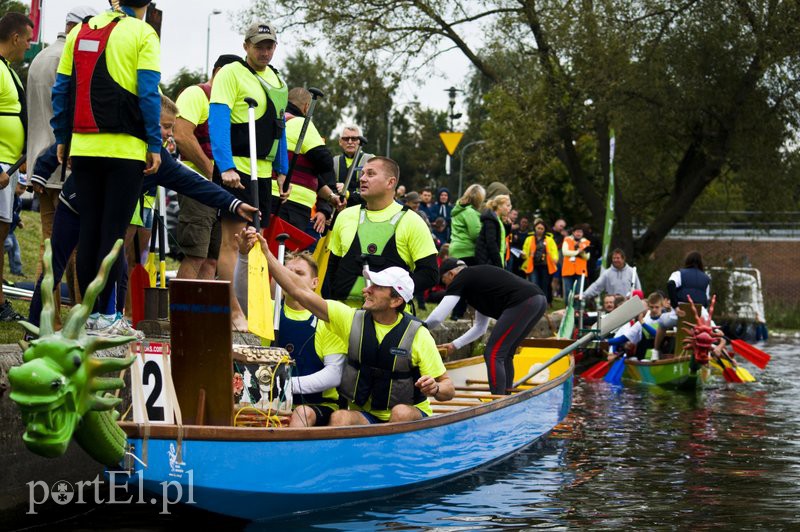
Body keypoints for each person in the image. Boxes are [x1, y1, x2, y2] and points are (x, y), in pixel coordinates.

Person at [27, 95, 257, 332]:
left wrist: (233, 204)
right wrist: (41, 171)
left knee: (116, 263)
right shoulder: (116, 134)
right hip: (74, 207)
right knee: (55, 264)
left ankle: (107, 319)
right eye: (166, 126)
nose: (170, 133)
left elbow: (195, 184)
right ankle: (34, 325)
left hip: (110, 218)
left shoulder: (160, 160)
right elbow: (70, 139)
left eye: (172, 127)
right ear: (147, 120)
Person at [251, 229, 455, 425]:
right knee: (340, 418)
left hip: (408, 414)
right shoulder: (350, 319)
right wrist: (267, 254)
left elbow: (448, 389)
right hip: (366, 415)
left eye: (377, 287)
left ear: (395, 301)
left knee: (399, 412)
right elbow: (299, 291)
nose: (367, 289)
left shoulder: (418, 335)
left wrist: (435, 388)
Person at [51, 0, 161, 315]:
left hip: (84, 147)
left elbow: (62, 89)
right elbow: (149, 93)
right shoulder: (143, 33)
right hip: (126, 152)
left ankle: (83, 313)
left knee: (88, 230)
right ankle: (104, 314)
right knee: (112, 234)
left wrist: (63, 137)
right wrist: (153, 143)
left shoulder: (82, 29)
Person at [208, 21, 288, 330]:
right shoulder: (231, 73)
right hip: (237, 169)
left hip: (264, 172)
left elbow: (279, 127)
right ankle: (231, 310)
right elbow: (218, 119)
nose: (265, 51)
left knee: (255, 241)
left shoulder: (276, 79)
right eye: (259, 46)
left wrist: (282, 170)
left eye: (270, 46)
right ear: (246, 46)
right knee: (234, 240)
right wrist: (225, 165)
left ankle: (250, 305)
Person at [27, 6, 97, 319]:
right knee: (72, 246)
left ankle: (49, 317)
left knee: (50, 244)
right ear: (77, 26)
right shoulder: (67, 57)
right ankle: (75, 318)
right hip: (61, 159)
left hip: (39, 161)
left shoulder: (41, 56)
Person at [326, 156, 438, 308]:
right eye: (363, 174)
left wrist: (393, 294)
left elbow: (430, 274)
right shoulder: (345, 215)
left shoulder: (412, 221)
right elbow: (332, 266)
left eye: (370, 174)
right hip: (344, 313)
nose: (363, 179)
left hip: (389, 317)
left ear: (390, 182)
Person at [426, 259, 547, 395]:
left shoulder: (463, 277)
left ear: (451, 274)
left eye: (443, 282)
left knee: (493, 353)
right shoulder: (477, 283)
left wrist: (421, 327)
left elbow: (438, 317)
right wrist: (455, 345)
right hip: (538, 300)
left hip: (525, 301)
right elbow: (480, 327)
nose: (446, 286)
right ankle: (506, 397)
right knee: (505, 353)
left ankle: (498, 400)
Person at [173, 53, 240, 281]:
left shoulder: (228, 103)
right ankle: (181, 315)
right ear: (219, 72)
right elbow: (181, 135)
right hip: (197, 185)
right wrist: (211, 173)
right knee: (195, 255)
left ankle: (201, 314)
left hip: (219, 190)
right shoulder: (196, 94)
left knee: (213, 259)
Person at [0, 12, 32, 321]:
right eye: (27, 41)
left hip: (8, 167)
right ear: (15, 38)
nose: (28, 47)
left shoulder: (8, 69)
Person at [273, 87, 338, 233]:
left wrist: (330, 197)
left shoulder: (274, 120)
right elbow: (326, 163)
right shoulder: (301, 124)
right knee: (286, 254)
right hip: (292, 203)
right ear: (307, 107)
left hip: (267, 196)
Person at [333, 125, 373, 207]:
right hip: (340, 210)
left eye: (354, 138)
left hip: (362, 209)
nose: (350, 142)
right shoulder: (334, 161)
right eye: (346, 139)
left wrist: (348, 193)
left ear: (360, 141)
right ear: (340, 141)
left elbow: (374, 190)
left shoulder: (371, 160)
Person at [522, 218, 559, 304]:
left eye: (542, 229)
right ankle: (535, 303)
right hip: (533, 265)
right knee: (534, 284)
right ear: (535, 228)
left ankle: (544, 303)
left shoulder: (549, 239)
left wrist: (555, 258)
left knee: (544, 285)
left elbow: (554, 250)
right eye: (538, 228)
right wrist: (524, 255)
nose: (540, 230)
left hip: (545, 265)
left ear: (544, 230)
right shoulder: (529, 239)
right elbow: (525, 249)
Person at [448, 184, 484, 266]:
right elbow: (475, 234)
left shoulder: (459, 210)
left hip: (455, 250)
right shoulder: (470, 212)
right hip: (467, 251)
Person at [474, 194, 511, 268]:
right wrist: (498, 263)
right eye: (507, 205)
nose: (509, 209)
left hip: (495, 260)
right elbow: (491, 243)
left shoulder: (498, 220)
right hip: (488, 262)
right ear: (499, 206)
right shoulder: (491, 220)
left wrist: (507, 225)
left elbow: (501, 238)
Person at [560, 224, 590, 299]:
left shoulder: (586, 242)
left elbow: (587, 257)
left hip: (580, 271)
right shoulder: (567, 239)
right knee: (568, 292)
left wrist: (582, 252)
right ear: (573, 232)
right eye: (577, 232)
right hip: (568, 270)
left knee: (578, 292)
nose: (578, 234)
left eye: (580, 232)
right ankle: (567, 309)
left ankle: (577, 309)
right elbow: (565, 252)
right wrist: (577, 252)